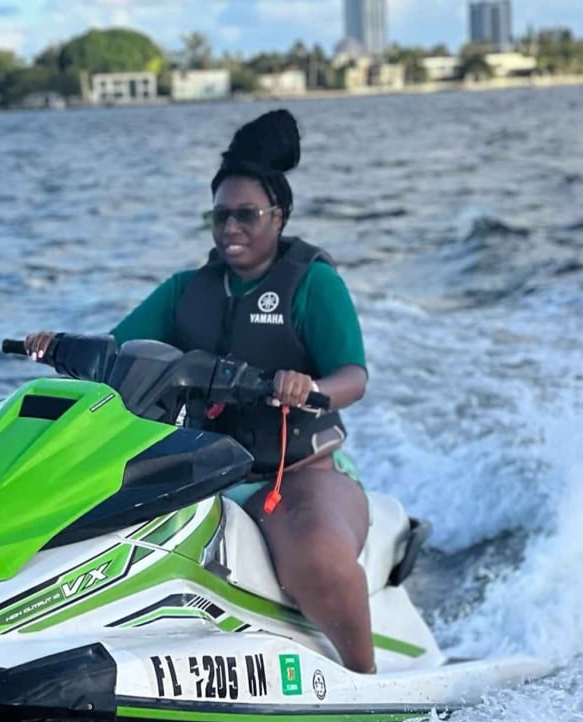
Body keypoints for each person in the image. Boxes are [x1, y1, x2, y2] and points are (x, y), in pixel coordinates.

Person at [24, 110, 376, 674]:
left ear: (278, 217)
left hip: (296, 472)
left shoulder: (313, 284)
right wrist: (61, 347)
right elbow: (118, 350)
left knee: (317, 557)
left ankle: (365, 682)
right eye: (220, 216)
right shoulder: (186, 292)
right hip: (200, 471)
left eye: (247, 215)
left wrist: (310, 388)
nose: (231, 228)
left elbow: (352, 377)